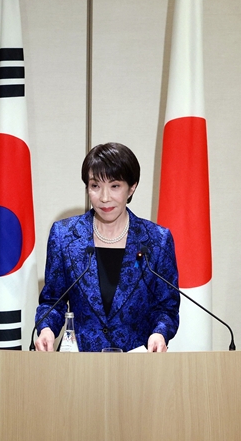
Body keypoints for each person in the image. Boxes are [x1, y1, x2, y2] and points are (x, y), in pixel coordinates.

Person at [34, 142, 180, 352]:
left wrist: (160, 332)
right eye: (95, 186)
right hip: (79, 367)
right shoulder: (64, 236)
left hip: (137, 366)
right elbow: (52, 301)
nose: (104, 197)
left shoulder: (157, 240)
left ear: (132, 187)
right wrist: (47, 329)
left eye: (115, 186)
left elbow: (167, 307)